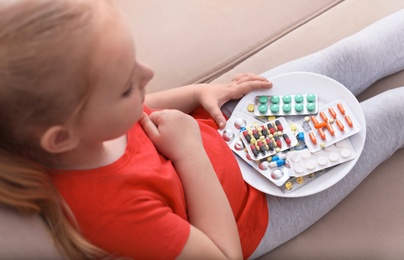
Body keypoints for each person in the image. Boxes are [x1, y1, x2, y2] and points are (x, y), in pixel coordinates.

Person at [0, 0, 403, 259]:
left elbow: (141, 109)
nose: (149, 75)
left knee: (352, 54)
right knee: (390, 113)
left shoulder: (83, 131)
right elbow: (222, 254)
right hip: (259, 208)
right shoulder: (112, 213)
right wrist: (189, 150)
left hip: (229, 123)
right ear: (62, 136)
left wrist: (201, 90)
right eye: (126, 85)